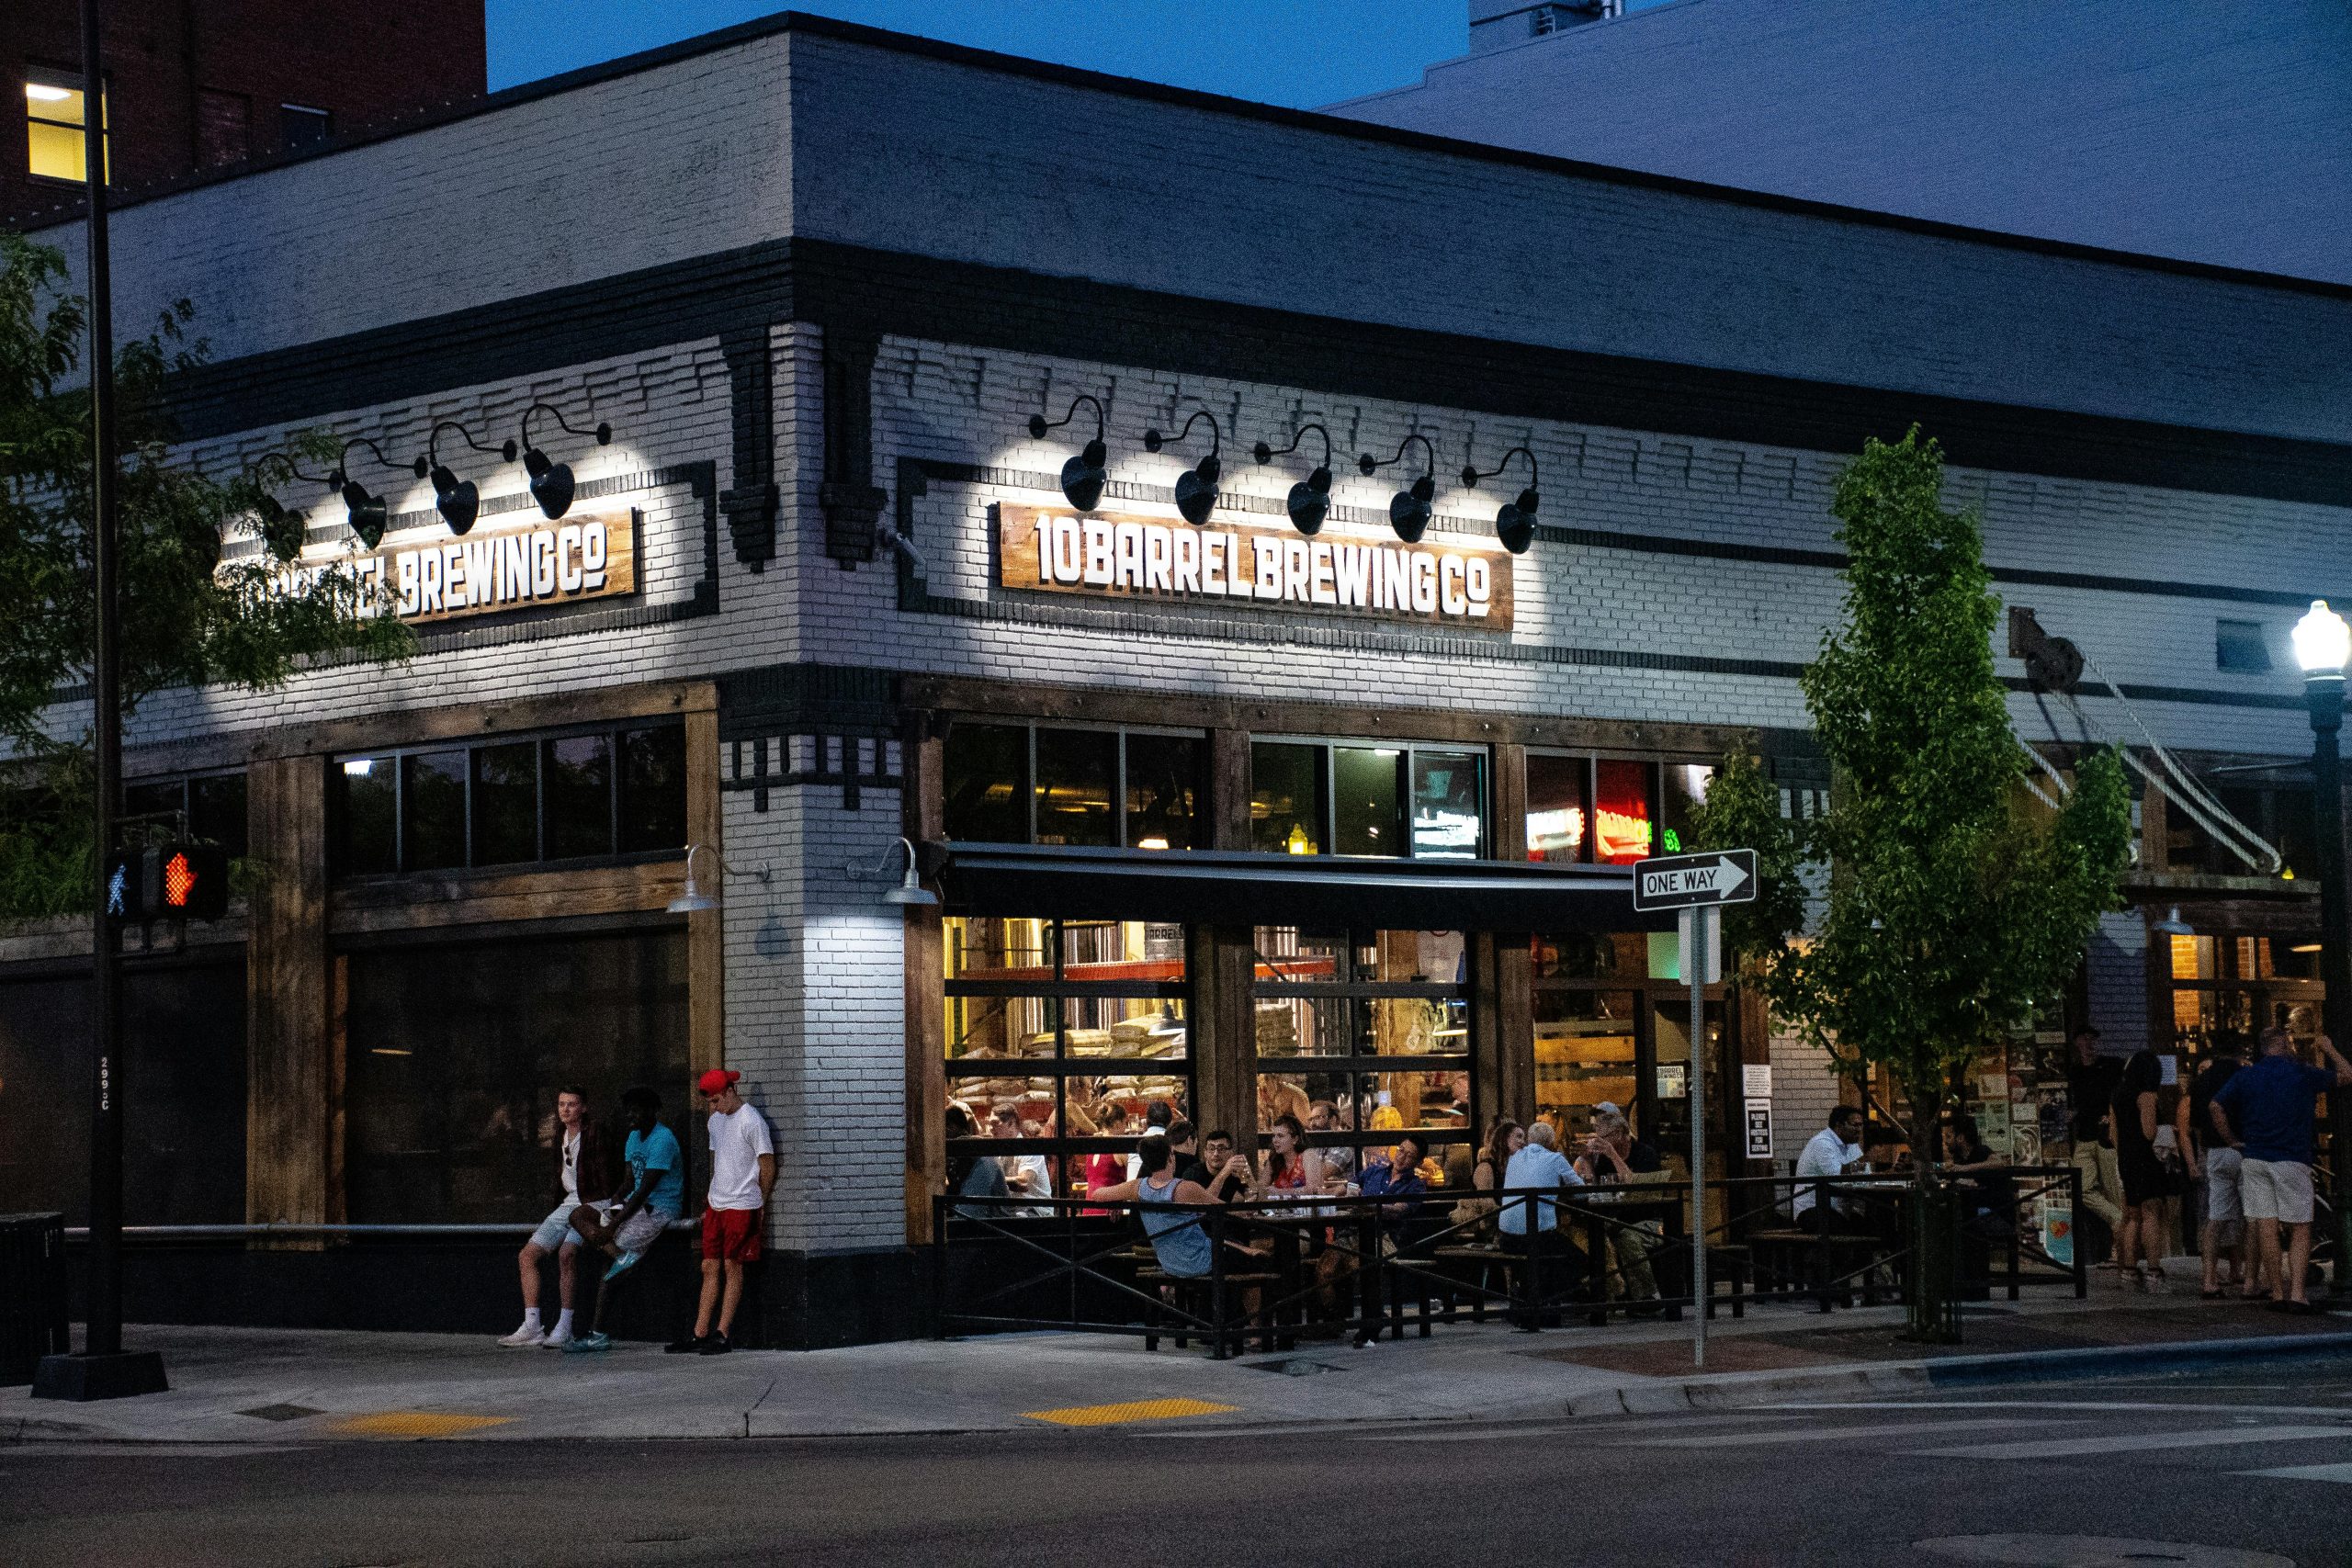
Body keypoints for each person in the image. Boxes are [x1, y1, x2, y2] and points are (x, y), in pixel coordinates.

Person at [2211, 1026, 2352, 1314]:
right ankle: (2297, 1294)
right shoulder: (2301, 1072)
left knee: (2266, 1226)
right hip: (2291, 1158)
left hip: (2254, 1158)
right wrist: (2329, 1048)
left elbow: (2216, 1106)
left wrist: (2232, 1140)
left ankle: (2277, 1292)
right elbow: (2347, 1075)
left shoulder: (2247, 1074)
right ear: (2285, 1045)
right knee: (2300, 1226)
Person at [561, 1085, 684, 1354]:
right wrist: (613, 1207)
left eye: (635, 1111)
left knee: (608, 1266)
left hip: (658, 1208)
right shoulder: (632, 1138)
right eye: (627, 1111)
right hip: (633, 1205)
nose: (630, 1116)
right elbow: (629, 1183)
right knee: (578, 1214)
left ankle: (598, 1333)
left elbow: (644, 1191)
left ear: (651, 1111)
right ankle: (621, 1258)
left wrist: (613, 1225)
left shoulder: (663, 1139)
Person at [664, 1067, 775, 1356]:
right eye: (710, 1103)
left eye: (716, 1100)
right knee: (709, 1266)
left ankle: (722, 1333)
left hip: (743, 1204)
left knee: (732, 1265)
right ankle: (700, 1332)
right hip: (717, 1203)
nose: (713, 1108)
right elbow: (721, 1161)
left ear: (729, 1091)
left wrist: (759, 1203)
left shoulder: (752, 1121)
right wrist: (709, 1200)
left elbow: (767, 1166)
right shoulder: (716, 1122)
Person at [501, 1085, 613, 1348]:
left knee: (567, 1254)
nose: (565, 1109)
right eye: (561, 1104)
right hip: (568, 1204)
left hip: (591, 1204)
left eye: (572, 1104)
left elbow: (606, 1174)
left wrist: (606, 1206)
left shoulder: (594, 1132)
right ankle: (532, 1325)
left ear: (583, 1107)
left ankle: (564, 1327)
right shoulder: (559, 1133)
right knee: (527, 1255)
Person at [1086, 1135, 1219, 1278]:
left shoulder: (1137, 1187)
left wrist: (1115, 1201)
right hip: (1203, 1261)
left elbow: (1097, 1194)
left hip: (1171, 1265)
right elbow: (1226, 1210)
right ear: (1170, 1158)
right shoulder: (1186, 1188)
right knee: (1240, 1253)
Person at [2182, 1032, 2252, 1299]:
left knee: (2215, 1217)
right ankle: (2248, 1278)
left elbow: (2197, 1124)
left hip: (2214, 1152)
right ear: (2240, 1051)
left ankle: (2209, 1280)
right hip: (2244, 1148)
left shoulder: (2201, 1081)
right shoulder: (2245, 1076)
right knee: (2254, 1217)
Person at [1497, 1120, 1586, 1324]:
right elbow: (1581, 1192)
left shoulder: (1515, 1158)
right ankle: (1554, 1305)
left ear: (1529, 1140)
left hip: (1507, 1237)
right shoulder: (1556, 1158)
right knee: (1579, 1260)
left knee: (1552, 1254)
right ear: (1552, 1142)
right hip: (1536, 1238)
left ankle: (1533, 1305)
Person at [1576, 1104, 1664, 1303]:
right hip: (1615, 1217)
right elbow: (1596, 1189)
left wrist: (1612, 1154)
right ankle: (1606, 1293)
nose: (1600, 1142)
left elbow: (1635, 1185)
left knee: (1627, 1238)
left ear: (1619, 1133)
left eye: (1603, 1138)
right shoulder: (1604, 1158)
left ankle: (1647, 1297)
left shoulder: (1645, 1154)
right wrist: (1587, 1160)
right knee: (1586, 1233)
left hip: (1648, 1220)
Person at [2109, 1043, 2170, 1292]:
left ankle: (2129, 1271)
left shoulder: (2117, 1094)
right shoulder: (2146, 1095)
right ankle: (2154, 1272)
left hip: (2126, 1157)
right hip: (2146, 1158)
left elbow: (2113, 1135)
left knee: (2131, 1215)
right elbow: (2149, 1132)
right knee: (2151, 1213)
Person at [2071, 1109, 2127, 1272]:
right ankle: (2118, 1220)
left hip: (2105, 1137)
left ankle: (2120, 1250)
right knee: (2082, 1188)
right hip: (2084, 1137)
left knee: (2114, 1190)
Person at [1792, 1106, 1866, 1231]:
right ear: (1839, 1125)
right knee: (1852, 1228)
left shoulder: (1851, 1144)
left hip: (1839, 1209)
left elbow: (1864, 1174)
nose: (1859, 1130)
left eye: (1861, 1125)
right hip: (1812, 1209)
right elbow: (1835, 1176)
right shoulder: (1822, 1143)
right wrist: (1863, 1162)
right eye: (1855, 1125)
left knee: (1874, 1220)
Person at [1452, 1117, 1522, 1226]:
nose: (1523, 1142)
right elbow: (1488, 1206)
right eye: (1517, 1136)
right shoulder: (1486, 1168)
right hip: (1491, 1231)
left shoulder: (1511, 1166)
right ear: (1502, 1138)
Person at [946, 1102, 1010, 1218]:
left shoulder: (980, 1158)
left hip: (993, 1224)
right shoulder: (978, 1153)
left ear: (950, 1128)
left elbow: (967, 1214)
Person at [992, 1102, 1055, 1216]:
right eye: (989, 1124)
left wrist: (994, 1180)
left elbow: (1023, 1183)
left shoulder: (1028, 1149)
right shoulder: (1000, 1152)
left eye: (995, 1123)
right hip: (1015, 1211)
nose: (991, 1129)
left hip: (1037, 1212)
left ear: (1011, 1123)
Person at [1261, 1113, 1319, 1197]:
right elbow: (1261, 1188)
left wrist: (1280, 1192)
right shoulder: (1274, 1158)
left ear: (1295, 1139)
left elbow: (1313, 1189)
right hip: (1281, 1209)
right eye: (1274, 1136)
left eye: (1280, 1136)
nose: (1275, 1140)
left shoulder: (1308, 1155)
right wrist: (1248, 1176)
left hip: (1306, 1208)